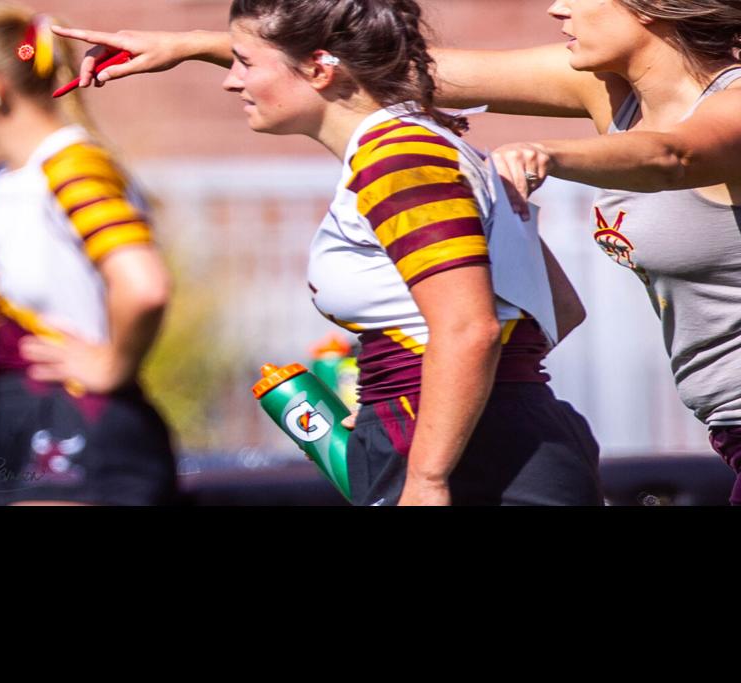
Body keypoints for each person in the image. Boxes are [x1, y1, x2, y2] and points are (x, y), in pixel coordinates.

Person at [52, 0, 741, 505]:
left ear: (649, 8)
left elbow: (677, 157)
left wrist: (550, 155)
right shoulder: (605, 90)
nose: (557, 7)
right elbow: (371, 71)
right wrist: (201, 47)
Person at [226, 0, 602, 505]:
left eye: (244, 62)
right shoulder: (423, 147)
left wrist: (427, 475)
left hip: (469, 457)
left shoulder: (400, 159)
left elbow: (470, 328)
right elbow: (560, 310)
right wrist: (407, 396)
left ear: (318, 68)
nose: (231, 81)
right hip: (470, 433)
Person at [0, 1, 177, 505]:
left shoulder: (72, 167)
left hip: (78, 421)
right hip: (6, 414)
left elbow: (144, 286)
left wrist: (114, 365)